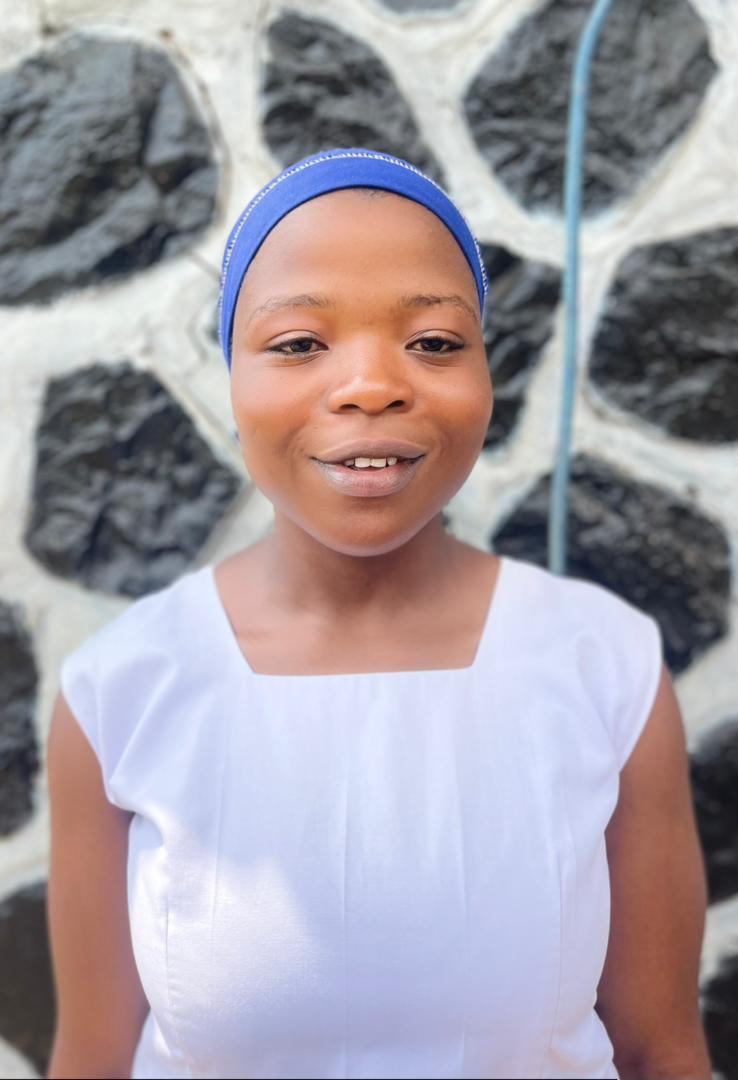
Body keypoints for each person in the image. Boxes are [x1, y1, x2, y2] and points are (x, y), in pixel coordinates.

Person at [46, 149, 711, 1080]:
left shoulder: (607, 668)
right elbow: (91, 1059)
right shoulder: (119, 693)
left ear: (487, 372)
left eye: (434, 341)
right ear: (231, 375)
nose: (369, 385)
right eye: (297, 343)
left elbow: (661, 1052)